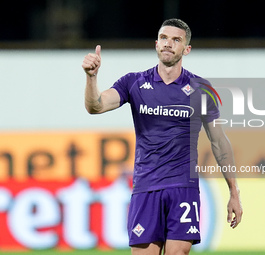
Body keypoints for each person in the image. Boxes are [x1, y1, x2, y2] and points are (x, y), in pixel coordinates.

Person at [82, 18, 242, 255]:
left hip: (183, 187)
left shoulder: (200, 89)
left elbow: (219, 142)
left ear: (186, 49)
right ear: (156, 44)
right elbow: (95, 106)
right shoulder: (133, 82)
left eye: (176, 40)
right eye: (164, 38)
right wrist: (92, 78)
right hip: (146, 187)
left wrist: (234, 192)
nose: (168, 43)